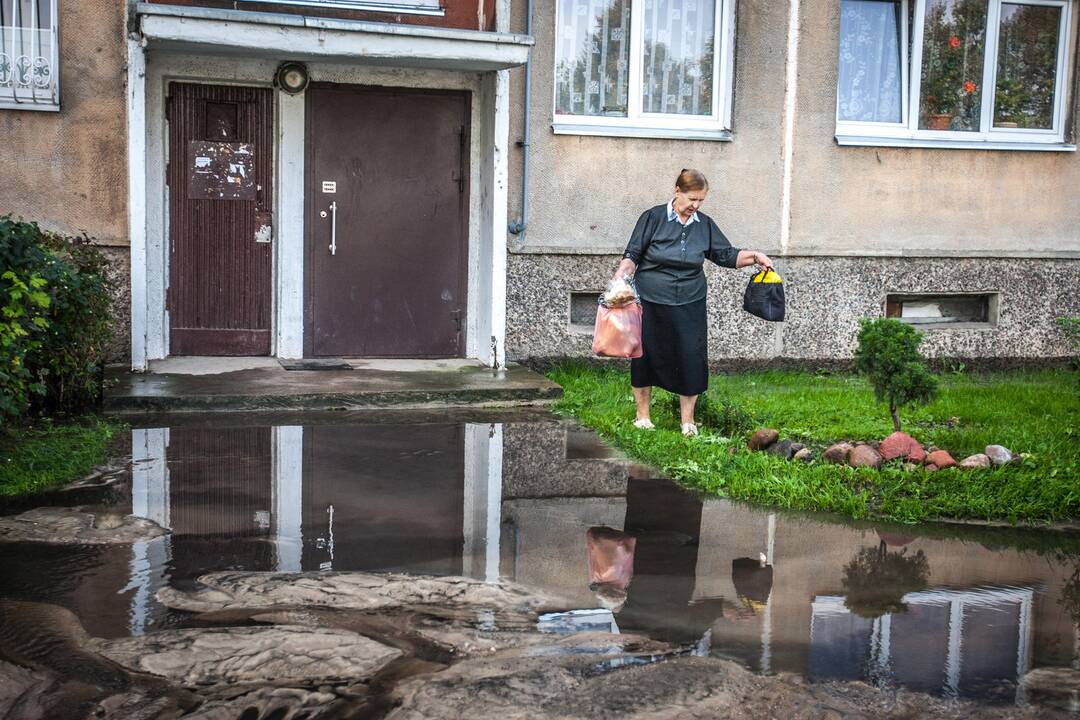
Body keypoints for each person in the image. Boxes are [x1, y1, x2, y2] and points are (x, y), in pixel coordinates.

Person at [614, 169, 774, 436]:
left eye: (700, 200)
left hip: (690, 300)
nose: (695, 206)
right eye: (691, 199)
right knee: (645, 355)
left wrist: (756, 256)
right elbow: (633, 254)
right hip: (652, 299)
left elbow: (726, 255)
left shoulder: (704, 224)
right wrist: (622, 275)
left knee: (690, 357)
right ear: (677, 190)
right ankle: (642, 416)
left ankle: (688, 422)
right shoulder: (652, 218)